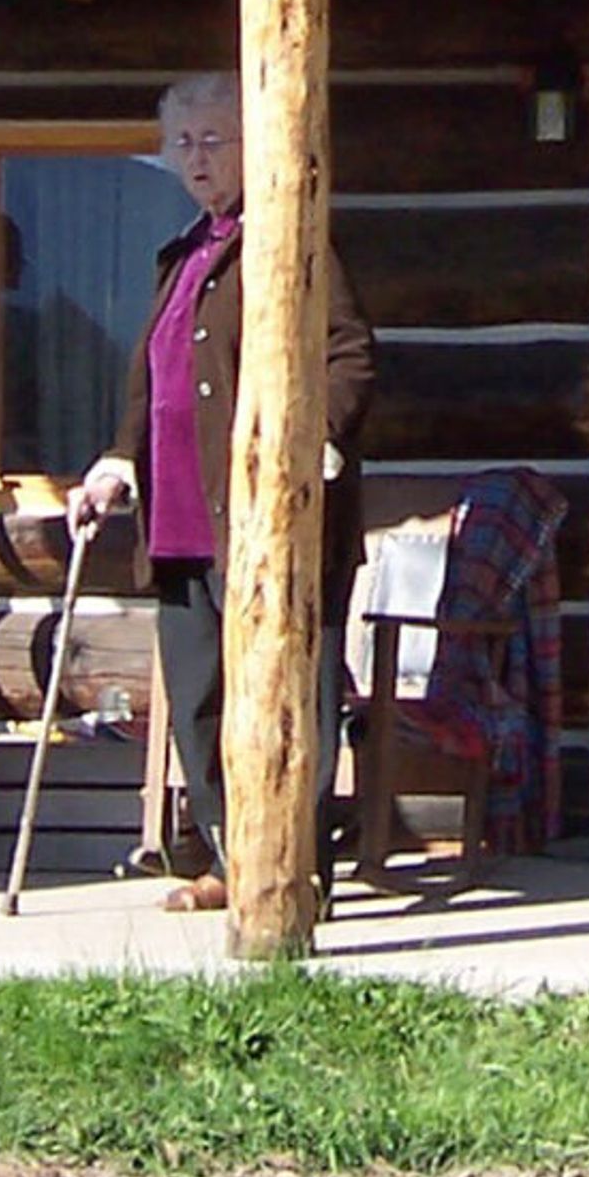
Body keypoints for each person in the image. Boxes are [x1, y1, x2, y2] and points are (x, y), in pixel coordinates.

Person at [73, 72, 375, 913]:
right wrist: (117, 461)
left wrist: (315, 444)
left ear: (254, 144)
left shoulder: (292, 241)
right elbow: (158, 381)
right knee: (201, 695)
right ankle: (231, 858)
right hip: (179, 515)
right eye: (182, 144)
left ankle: (296, 868)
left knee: (289, 696)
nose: (196, 159)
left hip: (271, 517)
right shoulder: (184, 252)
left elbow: (350, 355)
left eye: (214, 141)